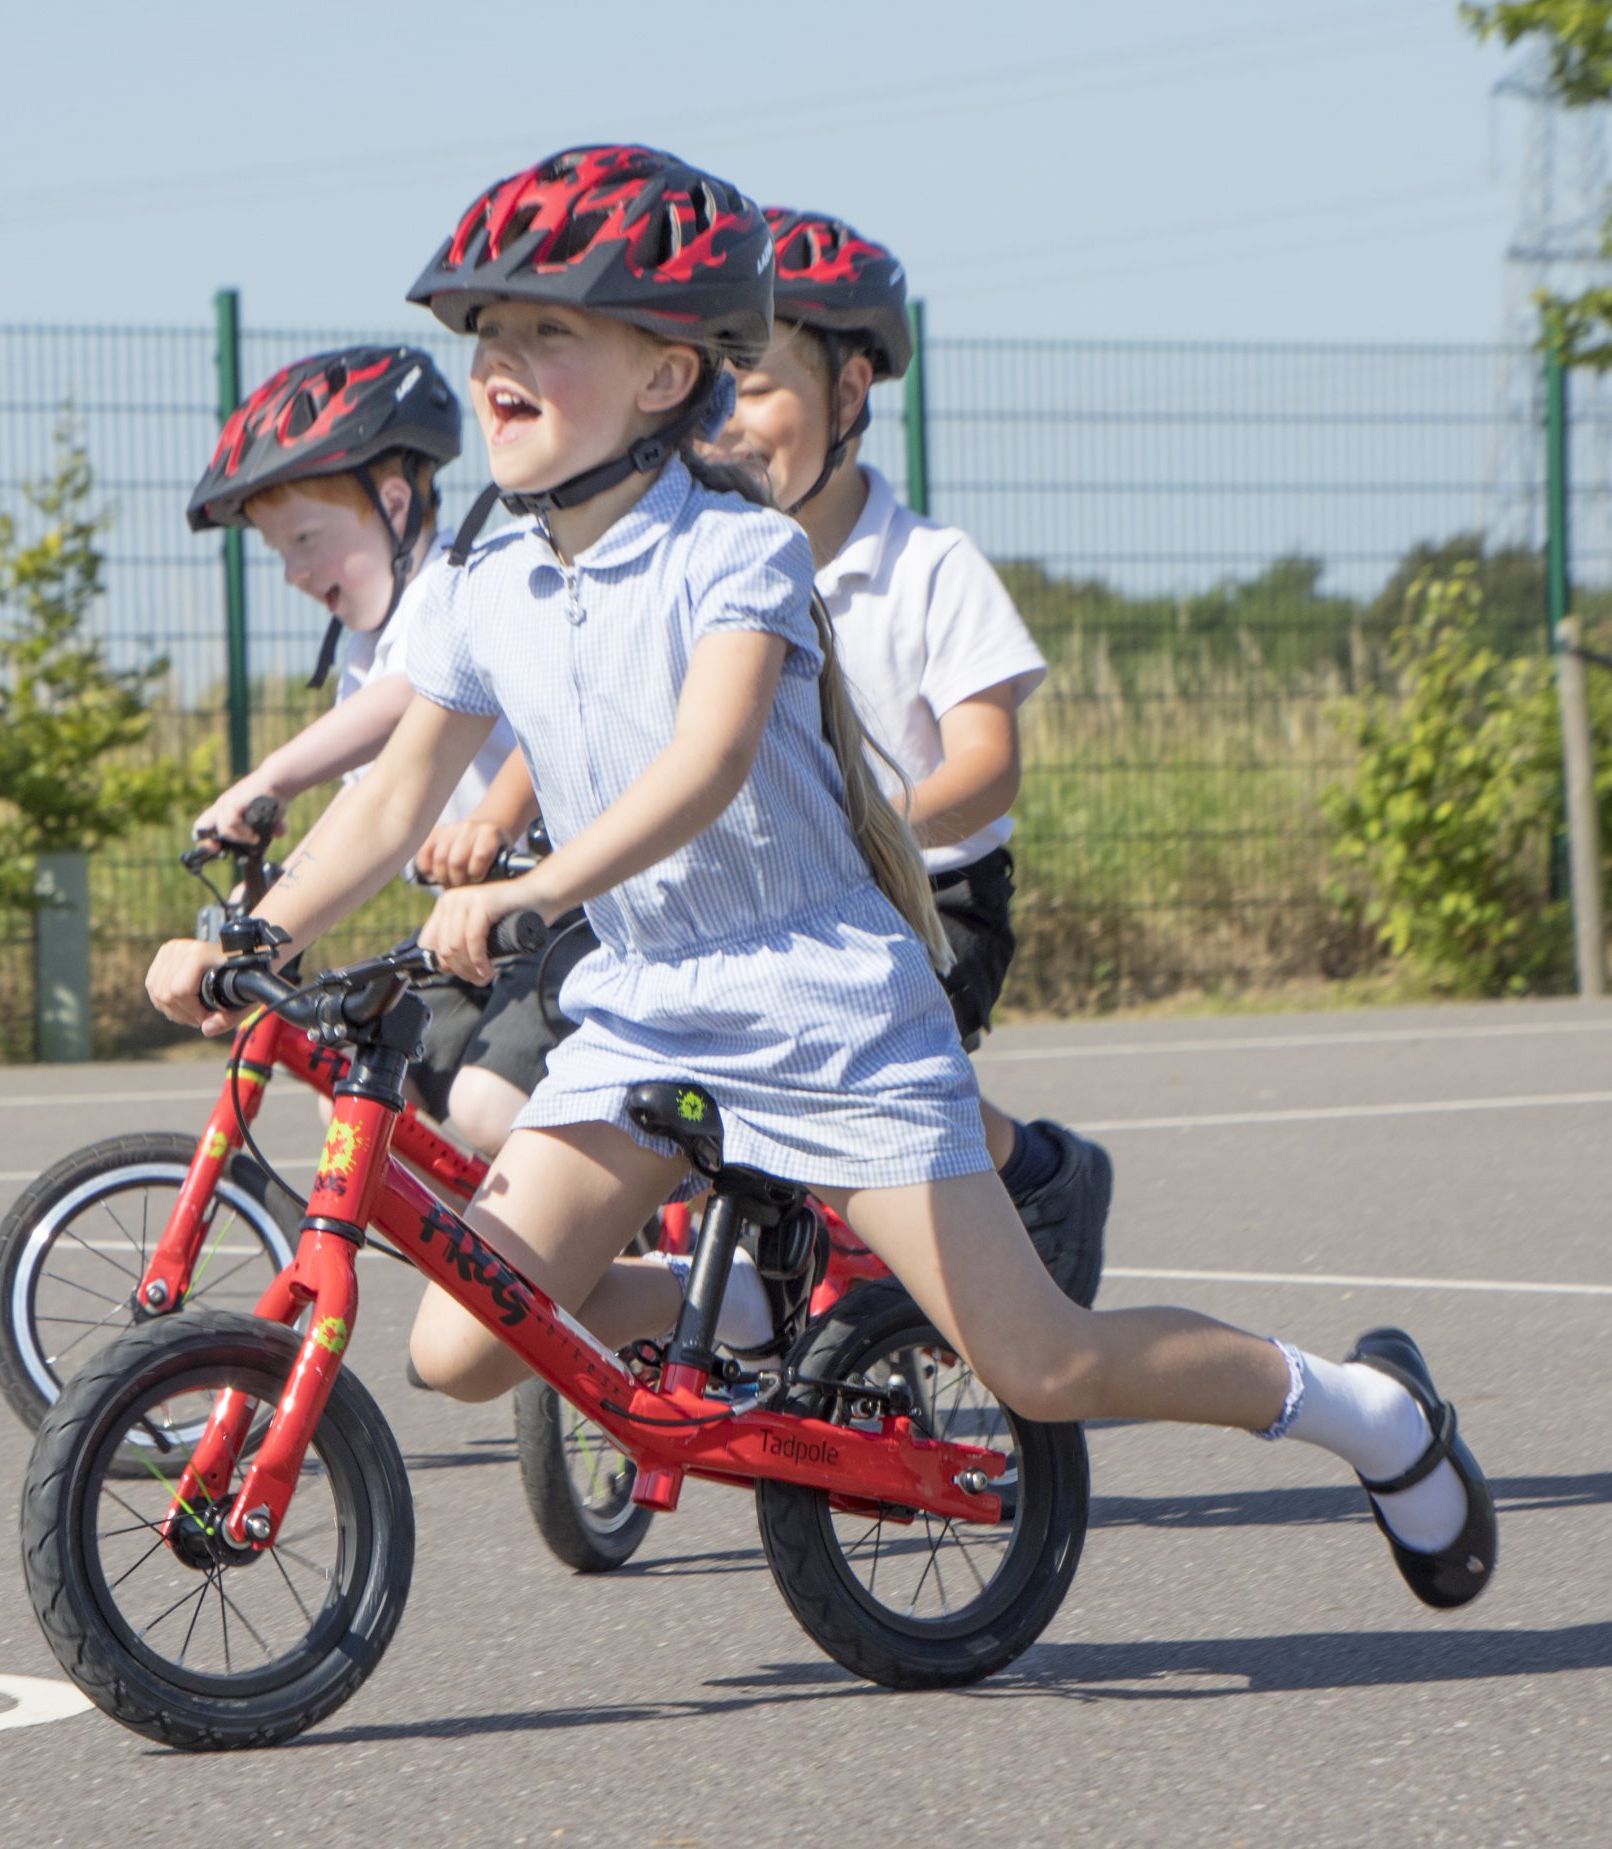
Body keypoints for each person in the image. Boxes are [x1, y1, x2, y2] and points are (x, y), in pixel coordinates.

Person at [147, 145, 1493, 1611]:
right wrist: (245, 937)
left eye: (549, 331)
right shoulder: (488, 585)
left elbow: (705, 766)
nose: (498, 362)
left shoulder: (736, 554)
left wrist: (536, 894)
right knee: (461, 1342)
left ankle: (1373, 1413)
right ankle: (749, 1293)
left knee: (1038, 1361)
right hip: (652, 1005)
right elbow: (393, 791)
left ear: (668, 376)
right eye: (487, 335)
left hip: (824, 999)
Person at [705, 206, 1111, 1304]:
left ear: (848, 396)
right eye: (705, 389)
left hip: (931, 897)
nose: (723, 423)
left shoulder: (929, 566)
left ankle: (1036, 1172)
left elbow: (988, 763)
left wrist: (874, 824)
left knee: (853, 1058)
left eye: (752, 387)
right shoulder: (705, 579)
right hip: (778, 902)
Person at [184, 345, 546, 1153]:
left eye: (307, 538)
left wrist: (272, 775)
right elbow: (370, 799)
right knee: (358, 1088)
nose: (294, 572)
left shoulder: (456, 583)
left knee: (490, 1109)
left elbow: (410, 701)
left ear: (392, 501)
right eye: (281, 552)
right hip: (469, 929)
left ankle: (608, 1258)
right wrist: (270, 913)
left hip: (555, 914)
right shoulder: (366, 647)